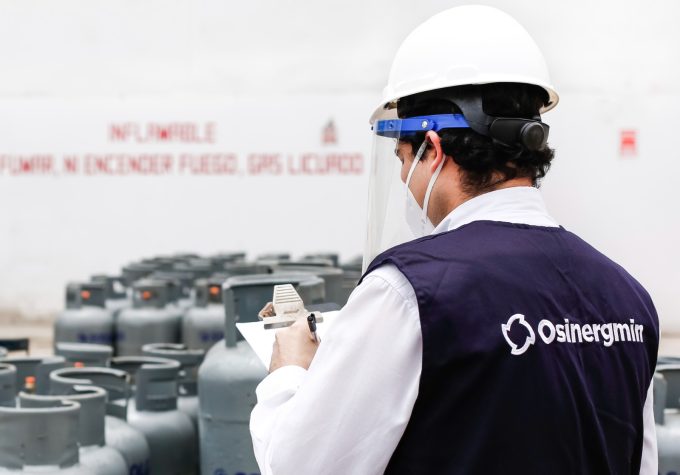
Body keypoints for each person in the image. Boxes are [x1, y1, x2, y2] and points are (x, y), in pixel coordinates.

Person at [250, 5, 659, 474]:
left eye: (402, 158)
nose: (402, 177)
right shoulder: (629, 298)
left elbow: (300, 466)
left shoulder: (409, 292)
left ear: (433, 148)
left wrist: (289, 369)